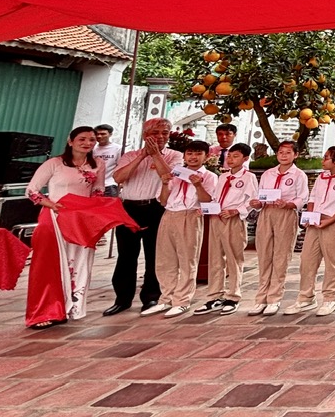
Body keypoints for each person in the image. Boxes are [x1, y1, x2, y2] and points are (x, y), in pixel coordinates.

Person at [25, 126, 124, 328]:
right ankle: (44, 312)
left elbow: (98, 189)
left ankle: (69, 308)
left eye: (91, 140)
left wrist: (92, 211)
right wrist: (53, 205)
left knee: (78, 263)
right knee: (49, 265)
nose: (88, 143)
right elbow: (32, 191)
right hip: (54, 219)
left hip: (80, 220)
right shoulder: (54, 163)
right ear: (70, 141)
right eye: (82, 139)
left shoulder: (97, 163)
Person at [106, 117, 184, 317]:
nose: (160, 137)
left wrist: (156, 155)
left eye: (164, 133)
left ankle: (151, 296)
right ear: (145, 135)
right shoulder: (130, 155)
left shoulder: (175, 155)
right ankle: (122, 299)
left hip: (155, 207)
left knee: (154, 254)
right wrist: (142, 156)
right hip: (129, 207)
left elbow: (169, 177)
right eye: (155, 133)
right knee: (126, 255)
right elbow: (119, 177)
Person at [287, 146, 335, 317]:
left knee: (332, 261)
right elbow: (313, 197)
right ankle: (306, 297)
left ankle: (330, 298)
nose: (323, 160)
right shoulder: (322, 176)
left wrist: (329, 220)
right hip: (315, 224)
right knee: (307, 260)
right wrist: (310, 216)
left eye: (326, 158)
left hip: (334, 224)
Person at [150, 140, 216, 318]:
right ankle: (166, 298)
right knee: (165, 260)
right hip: (169, 214)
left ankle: (182, 300)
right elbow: (163, 201)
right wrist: (165, 184)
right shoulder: (176, 173)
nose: (193, 157)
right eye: (190, 154)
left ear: (206, 157)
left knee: (187, 259)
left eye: (198, 154)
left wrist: (198, 185)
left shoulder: (209, 176)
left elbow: (208, 200)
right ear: (185, 156)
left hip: (190, 215)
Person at [247, 141, 309, 316]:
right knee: (264, 255)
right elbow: (261, 195)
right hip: (267, 213)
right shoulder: (268, 174)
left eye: (288, 153)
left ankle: (274, 298)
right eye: (281, 152)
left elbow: (302, 197)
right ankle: (261, 298)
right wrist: (257, 203)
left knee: (281, 256)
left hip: (285, 214)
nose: (283, 156)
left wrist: (288, 204)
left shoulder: (299, 175)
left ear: (295, 155)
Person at [194, 143, 256, 315]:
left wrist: (236, 211)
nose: (230, 159)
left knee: (234, 258)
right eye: (229, 156)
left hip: (233, 220)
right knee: (215, 258)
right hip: (217, 219)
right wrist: (207, 209)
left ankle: (233, 296)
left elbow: (252, 201)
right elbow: (216, 198)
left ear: (245, 158)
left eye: (235, 156)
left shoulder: (248, 177)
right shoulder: (223, 177)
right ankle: (214, 295)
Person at [92, 124, 122, 197]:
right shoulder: (92, 148)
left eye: (103, 134)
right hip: (93, 185)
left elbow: (120, 166)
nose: (99, 136)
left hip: (110, 184)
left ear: (110, 134)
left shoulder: (117, 149)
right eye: (97, 134)